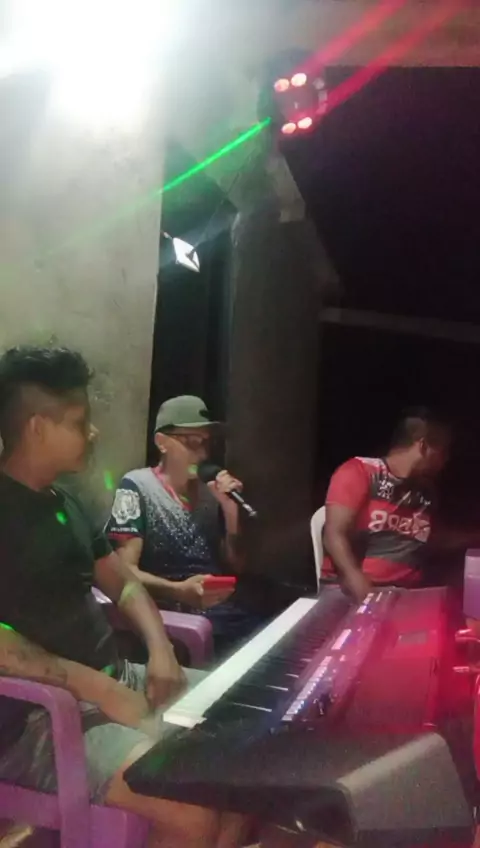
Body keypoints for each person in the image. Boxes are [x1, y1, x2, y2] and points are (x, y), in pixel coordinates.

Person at [0, 347, 248, 848]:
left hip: (111, 682)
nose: (92, 433)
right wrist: (102, 691)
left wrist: (160, 649)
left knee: (250, 745)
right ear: (37, 428)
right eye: (79, 422)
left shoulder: (65, 503)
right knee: (194, 811)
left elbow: (124, 582)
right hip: (32, 717)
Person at [105, 396, 266, 657]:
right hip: (171, 615)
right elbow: (124, 571)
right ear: (161, 442)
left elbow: (237, 565)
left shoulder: (210, 492)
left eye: (206, 443)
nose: (202, 454)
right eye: (191, 442)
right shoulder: (136, 486)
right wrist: (179, 591)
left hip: (222, 612)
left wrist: (230, 511)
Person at [322, 408, 451, 603]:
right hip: (349, 594)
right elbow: (334, 534)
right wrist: (358, 582)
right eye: (443, 451)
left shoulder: (427, 492)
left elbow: (435, 540)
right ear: (423, 446)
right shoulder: (360, 471)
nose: (445, 460)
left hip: (406, 595)